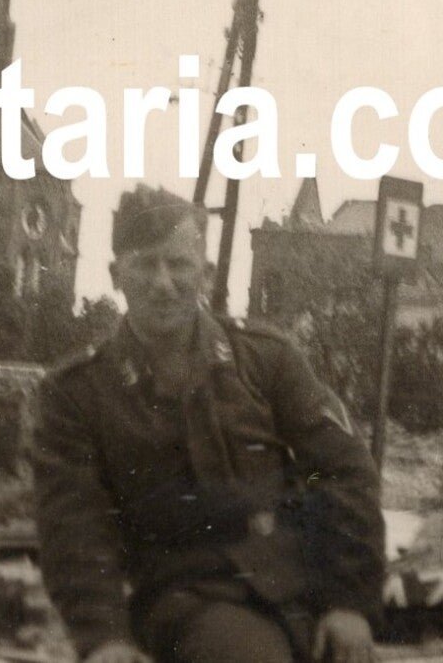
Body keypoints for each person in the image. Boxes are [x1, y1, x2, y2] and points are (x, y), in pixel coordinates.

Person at [32, 186, 386, 663]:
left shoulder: (265, 359)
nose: (163, 283)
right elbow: (75, 527)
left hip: (302, 593)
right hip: (188, 602)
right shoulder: (77, 393)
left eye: (179, 264)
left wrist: (348, 602)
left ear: (206, 273)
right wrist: (104, 638)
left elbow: (344, 471)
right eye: (145, 264)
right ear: (117, 275)